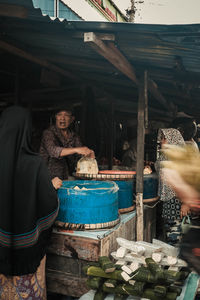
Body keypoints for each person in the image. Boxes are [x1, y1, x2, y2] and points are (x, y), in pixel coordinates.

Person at [0, 106, 59, 299]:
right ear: (27, 130)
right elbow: (48, 203)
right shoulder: (34, 164)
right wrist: (52, 187)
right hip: (27, 256)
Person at [40, 108, 95, 180]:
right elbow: (53, 151)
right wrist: (76, 150)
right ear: (56, 117)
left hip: (67, 177)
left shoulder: (74, 136)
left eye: (66, 115)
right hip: (48, 178)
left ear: (72, 119)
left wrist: (88, 154)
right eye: (59, 115)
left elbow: (80, 154)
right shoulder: (48, 133)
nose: (62, 118)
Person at [163, 167, 200, 274]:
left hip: (178, 210)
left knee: (178, 242)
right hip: (172, 208)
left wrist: (186, 203)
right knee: (179, 245)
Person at [156, 128, 186, 245]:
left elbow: (186, 181)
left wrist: (185, 204)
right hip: (168, 201)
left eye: (165, 139)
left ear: (172, 141)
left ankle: (176, 259)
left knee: (176, 234)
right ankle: (172, 258)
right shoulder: (166, 156)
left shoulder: (180, 159)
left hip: (177, 201)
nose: (161, 141)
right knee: (170, 232)